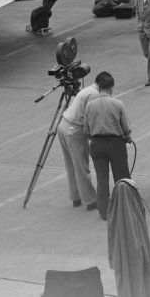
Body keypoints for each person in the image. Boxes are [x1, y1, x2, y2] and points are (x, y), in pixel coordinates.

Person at [83, 72, 132, 221]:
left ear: (98, 87)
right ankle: (124, 208)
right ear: (111, 88)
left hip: (97, 145)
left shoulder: (90, 105)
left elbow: (85, 129)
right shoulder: (117, 104)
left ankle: (104, 212)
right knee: (122, 177)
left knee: (102, 179)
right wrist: (127, 136)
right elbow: (125, 127)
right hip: (115, 144)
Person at [56, 79, 99, 212]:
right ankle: (90, 200)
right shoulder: (95, 95)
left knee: (70, 164)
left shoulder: (86, 90)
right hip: (74, 131)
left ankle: (76, 197)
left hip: (63, 125)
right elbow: (88, 119)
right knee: (81, 166)